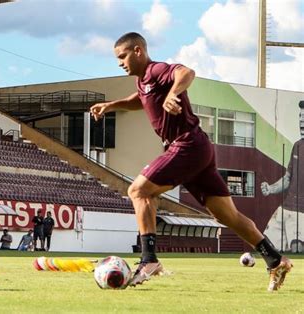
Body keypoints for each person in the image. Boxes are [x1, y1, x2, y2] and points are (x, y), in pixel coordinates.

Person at [89, 32, 292, 291]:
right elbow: (139, 100)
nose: (119, 62)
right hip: (198, 149)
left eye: (122, 56)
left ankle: (149, 260)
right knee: (227, 215)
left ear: (138, 50)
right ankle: (275, 259)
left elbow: (187, 72)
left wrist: (174, 93)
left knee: (138, 190)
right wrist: (110, 105)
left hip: (186, 145)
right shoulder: (144, 82)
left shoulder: (156, 70)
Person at [261, 101, 304, 253]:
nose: (301, 120)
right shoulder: (297, 146)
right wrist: (271, 189)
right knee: (266, 243)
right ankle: (273, 268)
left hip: (302, 212)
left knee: (297, 248)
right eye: (300, 116)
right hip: (286, 207)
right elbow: (287, 178)